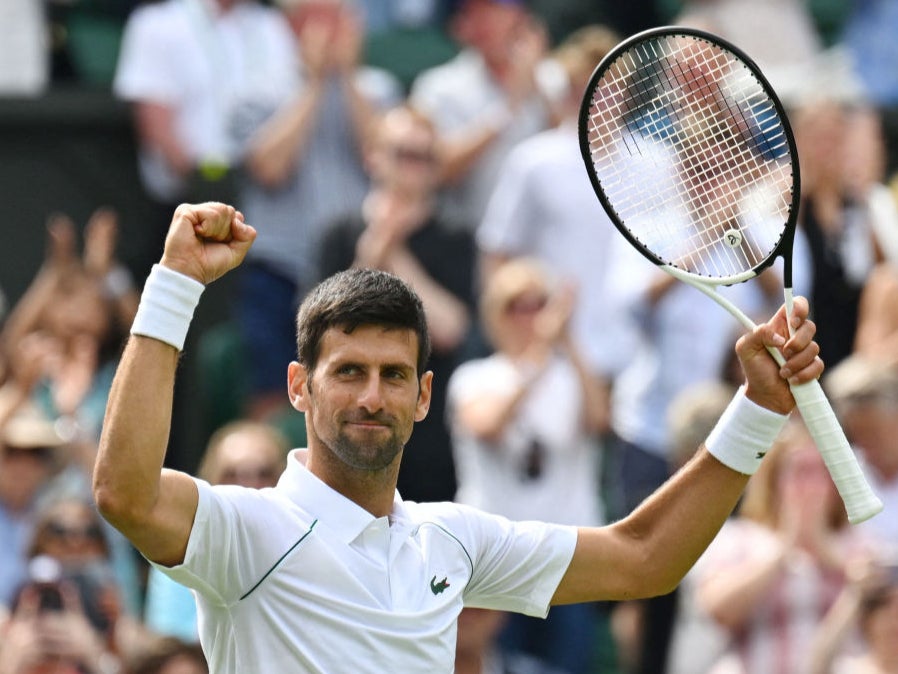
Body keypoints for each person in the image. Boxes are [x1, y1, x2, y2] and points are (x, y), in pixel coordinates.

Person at [92, 201, 824, 672]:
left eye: (393, 375)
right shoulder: (245, 527)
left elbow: (644, 558)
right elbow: (123, 494)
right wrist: (176, 282)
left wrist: (759, 406)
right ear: (297, 387)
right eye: (347, 372)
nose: (371, 397)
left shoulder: (452, 542)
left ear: (423, 397)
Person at [231, 0, 403, 420]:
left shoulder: (377, 88)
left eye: (336, 18)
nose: (327, 31)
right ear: (291, 27)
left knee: (360, 393)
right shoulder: (259, 89)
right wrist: (312, 84)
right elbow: (270, 167)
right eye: (314, 18)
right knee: (274, 395)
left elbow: (384, 155)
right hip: (279, 268)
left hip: (356, 266)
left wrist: (342, 76)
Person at [447, 257, 607, 673]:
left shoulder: (571, 376)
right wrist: (538, 355)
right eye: (518, 305)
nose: (532, 316)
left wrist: (567, 344)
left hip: (568, 557)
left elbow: (600, 420)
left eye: (541, 304)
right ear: (496, 314)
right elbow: (486, 425)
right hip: (498, 559)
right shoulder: (475, 376)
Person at [316, 103, 477, 502]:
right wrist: (372, 253)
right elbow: (323, 331)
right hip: (347, 431)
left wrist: (395, 251)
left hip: (429, 436)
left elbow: (450, 330)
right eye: (405, 153)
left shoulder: (456, 237)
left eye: (426, 157)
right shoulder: (339, 232)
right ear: (373, 156)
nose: (415, 166)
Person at [693, 422, 875, 674]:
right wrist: (785, 547)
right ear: (774, 480)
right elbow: (717, 609)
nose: (810, 486)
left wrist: (824, 550)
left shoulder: (858, 542)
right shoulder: (741, 539)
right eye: (799, 471)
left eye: (820, 473)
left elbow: (880, 600)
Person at [409, 0, 566, 230]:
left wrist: (535, 84)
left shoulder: (554, 78)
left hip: (543, 241)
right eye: (475, 13)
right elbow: (437, 170)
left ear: (520, 19)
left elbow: (577, 154)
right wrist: (507, 109)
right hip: (466, 237)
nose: (486, 24)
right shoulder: (438, 86)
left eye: (495, 13)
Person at [143, 419, 289, 641]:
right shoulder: (182, 551)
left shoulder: (307, 548)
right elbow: (169, 643)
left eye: (263, 473)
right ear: (209, 479)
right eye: (232, 473)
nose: (247, 484)